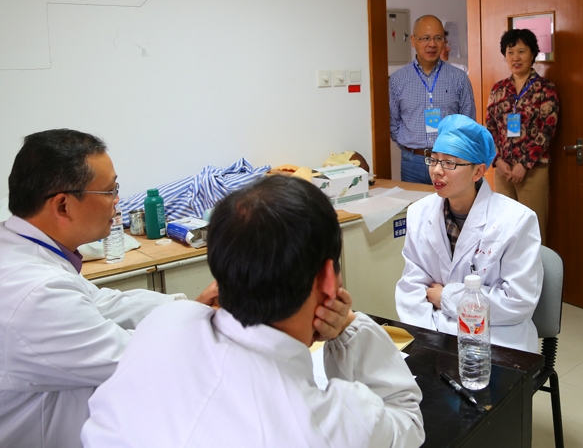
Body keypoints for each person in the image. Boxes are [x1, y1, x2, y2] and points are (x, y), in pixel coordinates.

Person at [81, 175, 425, 447]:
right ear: (328, 279)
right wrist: (349, 327)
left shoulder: (162, 324)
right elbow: (406, 422)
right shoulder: (333, 423)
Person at [0, 129, 219, 448]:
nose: (117, 201)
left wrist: (192, 308)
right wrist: (201, 323)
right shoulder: (34, 291)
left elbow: (104, 304)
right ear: (63, 206)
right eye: (110, 191)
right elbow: (133, 358)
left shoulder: (23, 251)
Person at [395, 114, 543, 353]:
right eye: (434, 159)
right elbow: (411, 288)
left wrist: (447, 298)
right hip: (434, 333)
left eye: (450, 163)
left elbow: (518, 301)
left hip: (497, 339)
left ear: (478, 172)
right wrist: (427, 340)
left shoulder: (517, 221)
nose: (437, 171)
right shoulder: (418, 213)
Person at [485, 28, 559, 244]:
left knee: (531, 231)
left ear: (533, 54)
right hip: (503, 170)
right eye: (510, 52)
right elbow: (490, 127)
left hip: (532, 171)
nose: (515, 58)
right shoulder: (498, 89)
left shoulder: (545, 89)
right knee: (504, 230)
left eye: (521, 51)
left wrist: (524, 165)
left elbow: (547, 130)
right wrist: (497, 160)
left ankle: (536, 268)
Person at [390, 15, 476, 185]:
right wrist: (410, 146)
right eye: (426, 38)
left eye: (438, 38)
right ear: (413, 40)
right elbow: (394, 122)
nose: (432, 44)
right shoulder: (397, 79)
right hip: (412, 161)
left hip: (449, 160)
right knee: (413, 202)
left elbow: (467, 122)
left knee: (448, 202)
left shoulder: (459, 78)